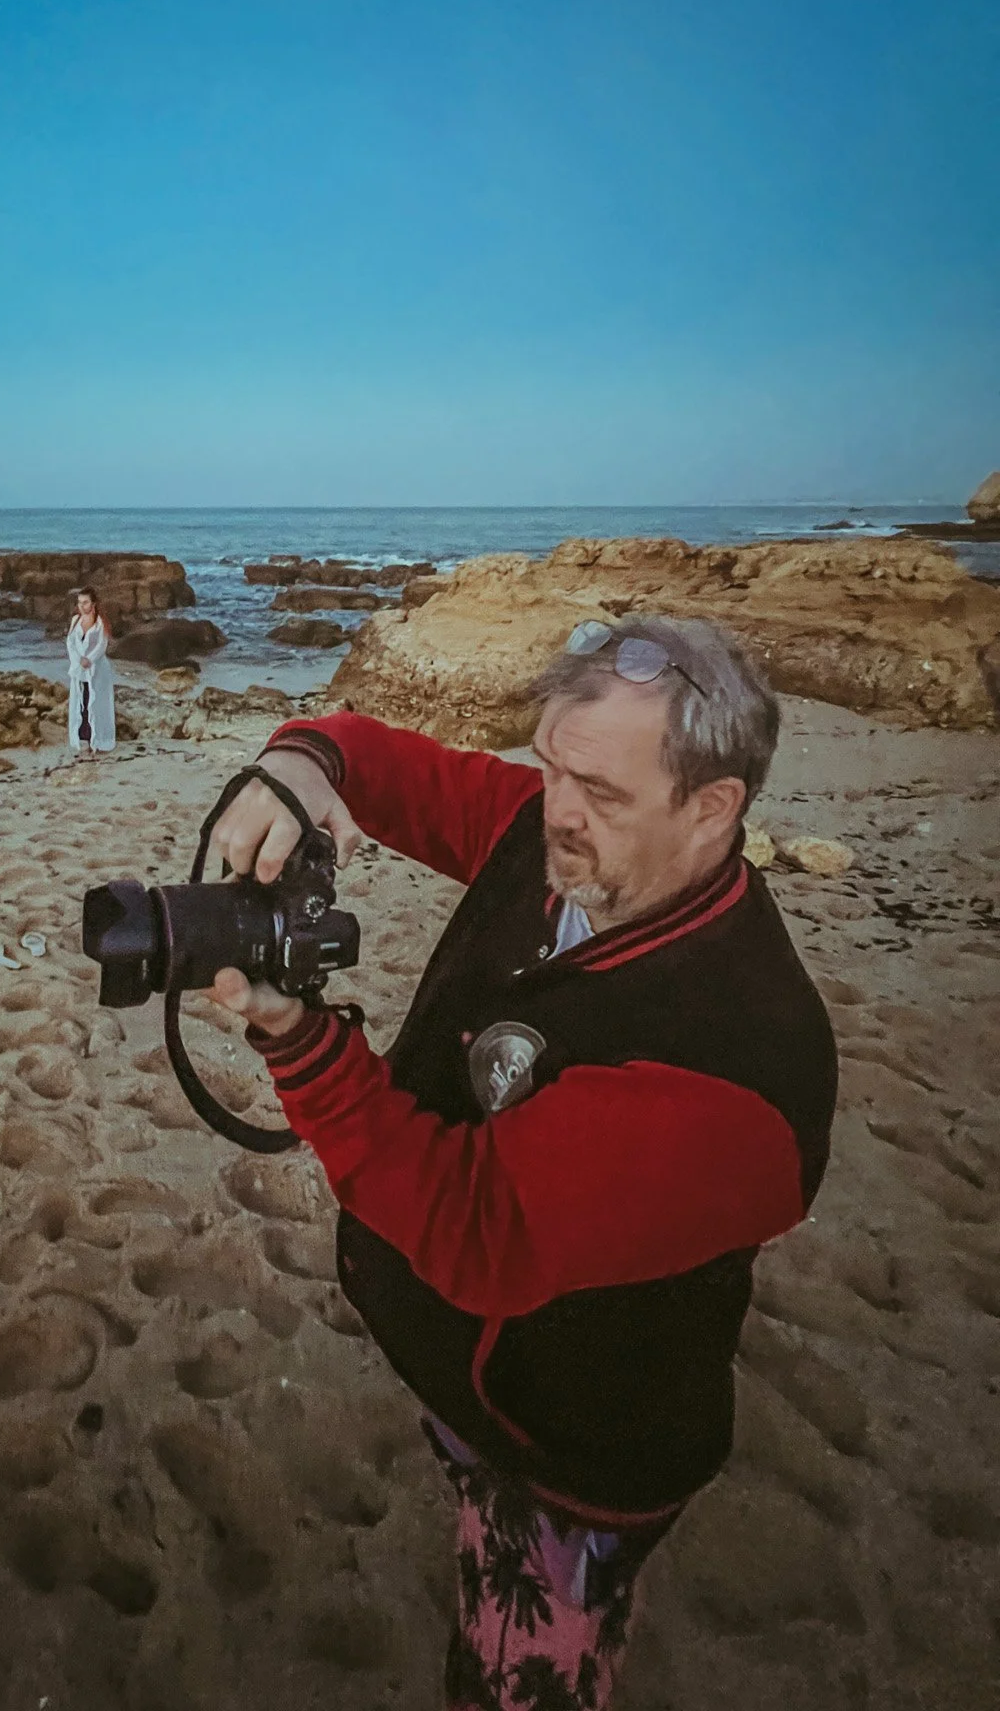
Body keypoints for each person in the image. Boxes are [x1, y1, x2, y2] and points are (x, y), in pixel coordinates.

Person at [200, 615, 837, 1710]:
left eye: (595, 787)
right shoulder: (571, 847)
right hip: (487, 1382)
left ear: (714, 807)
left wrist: (302, 1045)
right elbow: (394, 766)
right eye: (547, 764)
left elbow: (472, 1227)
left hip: (577, 1451)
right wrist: (301, 765)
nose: (555, 807)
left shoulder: (739, 1067)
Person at [66, 586, 116, 756]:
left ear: (93, 603)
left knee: (97, 704)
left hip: (97, 670)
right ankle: (84, 738)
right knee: (81, 703)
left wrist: (90, 659)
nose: (82, 606)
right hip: (79, 669)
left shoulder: (100, 622)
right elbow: (70, 643)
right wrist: (79, 659)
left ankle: (100, 740)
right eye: (79, 603)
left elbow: (102, 645)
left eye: (85, 602)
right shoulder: (75, 621)